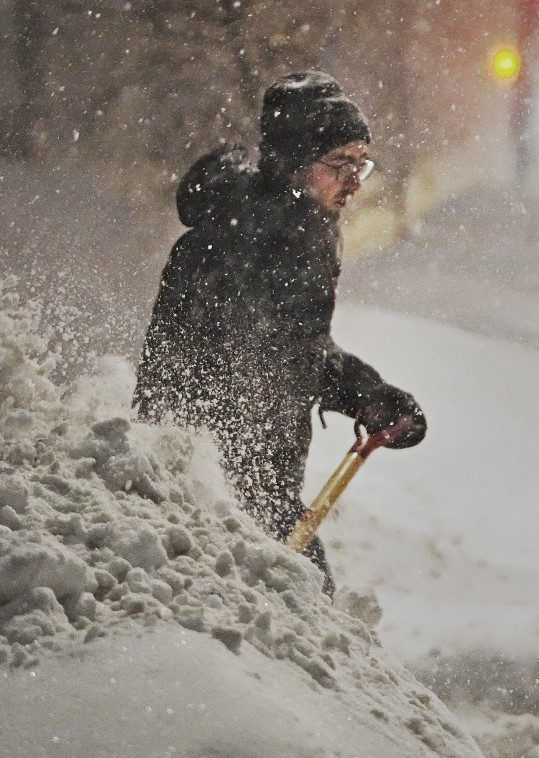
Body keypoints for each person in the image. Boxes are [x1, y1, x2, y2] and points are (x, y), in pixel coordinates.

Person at [133, 71, 426, 595]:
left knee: (304, 617)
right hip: (216, 492)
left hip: (252, 484)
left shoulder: (299, 227)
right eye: (340, 164)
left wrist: (371, 398)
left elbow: (295, 348)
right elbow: (239, 367)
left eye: (361, 163)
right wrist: (253, 502)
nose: (356, 180)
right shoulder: (250, 239)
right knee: (294, 611)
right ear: (295, 163)